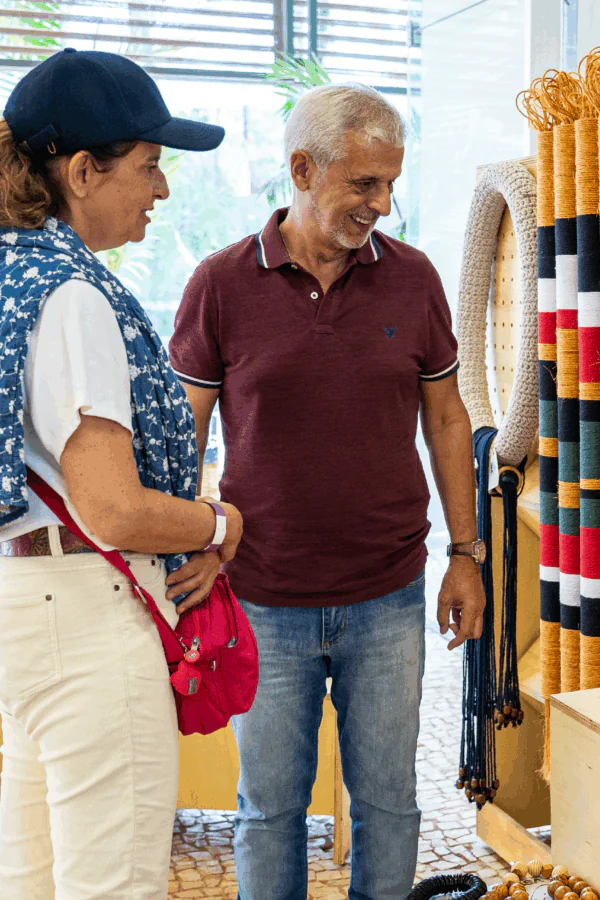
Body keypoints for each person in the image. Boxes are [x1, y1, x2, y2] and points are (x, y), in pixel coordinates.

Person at [169, 83, 486, 900]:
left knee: (389, 802)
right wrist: (187, 544)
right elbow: (183, 435)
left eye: (390, 183)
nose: (382, 204)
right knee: (268, 808)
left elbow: (446, 420)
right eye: (364, 184)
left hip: (385, 595)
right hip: (262, 598)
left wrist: (466, 554)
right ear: (302, 170)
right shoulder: (220, 283)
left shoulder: (412, 279)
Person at [0, 49, 244, 900]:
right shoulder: (70, 294)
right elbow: (111, 508)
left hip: (18, 611)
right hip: (84, 625)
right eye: (149, 165)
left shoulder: (7, 272)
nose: (162, 189)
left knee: (28, 878)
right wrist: (219, 526)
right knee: (112, 886)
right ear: (79, 170)